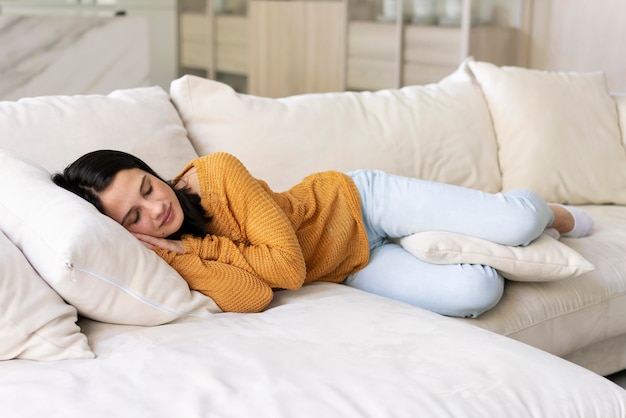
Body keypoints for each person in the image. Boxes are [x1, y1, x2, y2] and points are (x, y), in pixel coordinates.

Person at [52, 150, 594, 318]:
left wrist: (205, 246)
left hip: (359, 202)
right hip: (350, 266)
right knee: (479, 292)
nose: (156, 209)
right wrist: (182, 255)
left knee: (518, 224)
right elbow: (258, 296)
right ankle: (424, 239)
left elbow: (286, 270)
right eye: (132, 220)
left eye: (147, 188)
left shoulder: (216, 172)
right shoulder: (171, 252)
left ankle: (552, 213)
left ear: (151, 170)